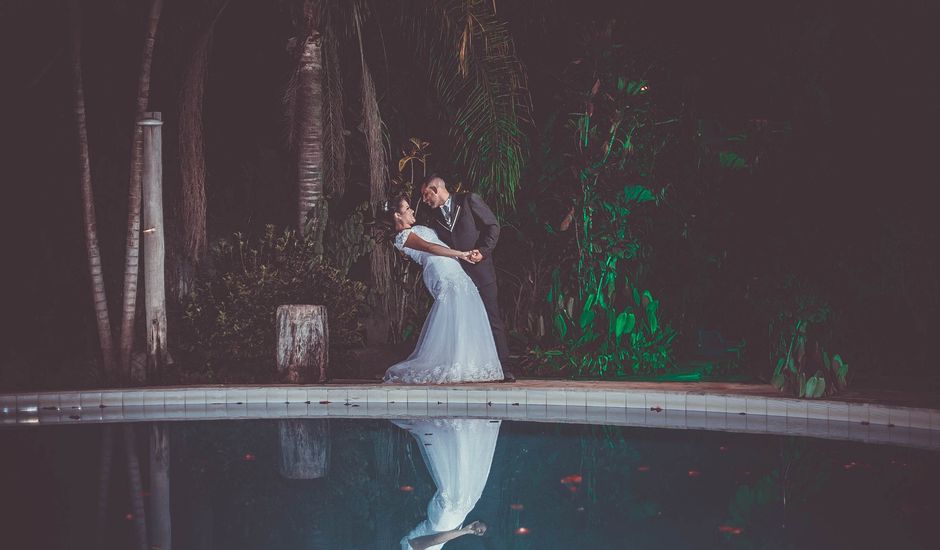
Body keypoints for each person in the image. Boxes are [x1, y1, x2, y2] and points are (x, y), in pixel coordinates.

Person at [382, 196, 504, 384]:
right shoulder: (403, 237)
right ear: (397, 215)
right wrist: (462, 254)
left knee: (465, 312)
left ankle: (468, 362)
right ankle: (454, 362)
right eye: (407, 209)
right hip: (441, 271)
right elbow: (431, 247)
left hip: (452, 268)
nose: (412, 211)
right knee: (453, 312)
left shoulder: (414, 230)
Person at [419, 175, 515, 382]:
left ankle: (504, 367)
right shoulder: (433, 218)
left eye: (426, 194)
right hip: (458, 277)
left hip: (481, 271)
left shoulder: (468, 200)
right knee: (465, 322)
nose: (425, 200)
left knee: (492, 317)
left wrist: (483, 251)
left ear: (435, 189)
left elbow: (493, 226)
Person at [392, 418, 501, 549]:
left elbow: (431, 540)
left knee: (458, 499)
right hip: (449, 523)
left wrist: (464, 531)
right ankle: (459, 430)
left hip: (441, 521)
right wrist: (468, 530)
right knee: (467, 493)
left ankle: (457, 428)